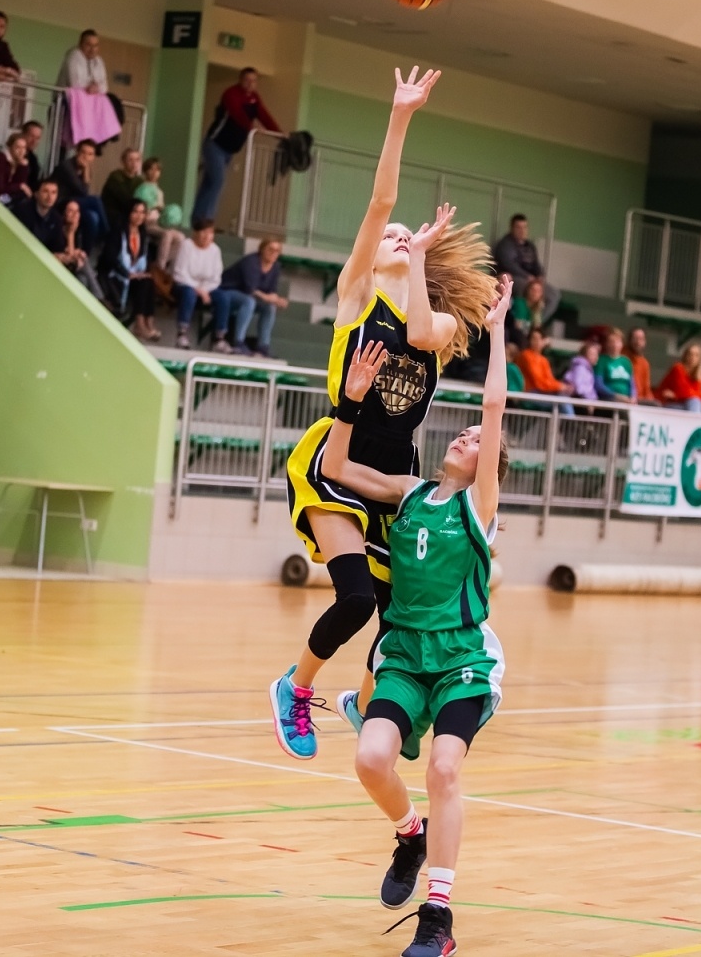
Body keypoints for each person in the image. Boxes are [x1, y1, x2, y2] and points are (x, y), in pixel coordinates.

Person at [274, 65, 498, 763]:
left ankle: (366, 701)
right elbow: (380, 202)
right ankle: (296, 687)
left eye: (409, 237)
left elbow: (428, 329)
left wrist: (424, 257)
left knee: (397, 612)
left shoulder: (431, 336)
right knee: (353, 600)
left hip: (392, 475)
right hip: (333, 461)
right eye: (391, 239)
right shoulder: (356, 298)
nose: (397, 235)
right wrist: (401, 116)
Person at [326, 278, 512, 957]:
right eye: (461, 434)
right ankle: (410, 834)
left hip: (461, 659)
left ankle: (439, 917)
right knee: (371, 759)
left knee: (444, 768)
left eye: (475, 440)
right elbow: (339, 463)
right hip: (405, 654)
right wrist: (351, 396)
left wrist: (496, 334)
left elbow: (492, 407)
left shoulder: (478, 507)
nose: (466, 437)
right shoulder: (410, 494)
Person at [193, 67, 281, 224]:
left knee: (209, 182)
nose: (250, 84)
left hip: (230, 150)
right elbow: (236, 113)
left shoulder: (255, 98)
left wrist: (279, 134)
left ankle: (197, 218)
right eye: (247, 80)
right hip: (215, 144)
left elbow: (264, 116)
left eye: (253, 81)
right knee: (218, 180)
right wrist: (251, 127)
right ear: (240, 80)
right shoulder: (231, 93)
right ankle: (207, 219)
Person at [212, 239, 288, 357]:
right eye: (270, 249)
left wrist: (278, 300)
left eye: (277, 251)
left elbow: (272, 291)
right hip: (226, 292)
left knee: (269, 307)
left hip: (248, 296)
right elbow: (250, 289)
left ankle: (263, 346)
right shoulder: (251, 262)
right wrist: (269, 298)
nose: (274, 253)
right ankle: (239, 341)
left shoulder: (276, 267)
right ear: (262, 249)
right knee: (249, 301)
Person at [107, 199, 159, 341]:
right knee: (143, 283)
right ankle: (139, 324)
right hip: (117, 276)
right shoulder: (118, 233)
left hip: (135, 277)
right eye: (135, 211)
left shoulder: (143, 235)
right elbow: (109, 259)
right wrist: (128, 274)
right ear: (128, 213)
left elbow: (144, 260)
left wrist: (141, 273)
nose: (139, 216)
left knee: (148, 281)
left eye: (142, 212)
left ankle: (149, 323)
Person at [493, 215, 558, 327]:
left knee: (554, 294)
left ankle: (536, 324)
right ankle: (518, 321)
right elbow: (509, 264)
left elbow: (536, 264)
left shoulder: (530, 246)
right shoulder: (505, 245)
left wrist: (540, 276)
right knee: (526, 287)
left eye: (524, 227)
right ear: (512, 228)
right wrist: (527, 276)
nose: (522, 230)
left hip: (532, 279)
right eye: (518, 227)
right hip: (516, 277)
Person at [170, 218, 223, 349]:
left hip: (206, 290)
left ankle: (219, 339)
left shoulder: (215, 250)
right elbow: (179, 273)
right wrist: (198, 289)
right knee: (189, 293)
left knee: (224, 298)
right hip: (183, 285)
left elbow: (216, 277)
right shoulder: (186, 245)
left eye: (210, 232)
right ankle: (181, 334)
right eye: (203, 232)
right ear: (195, 233)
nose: (206, 236)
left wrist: (204, 290)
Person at [50, 139, 112, 244]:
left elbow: (83, 193)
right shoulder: (67, 167)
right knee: (95, 200)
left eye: (90, 154)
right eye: (83, 152)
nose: (85, 157)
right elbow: (83, 192)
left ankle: (85, 255)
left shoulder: (84, 169)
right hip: (60, 202)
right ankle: (108, 235)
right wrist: (86, 170)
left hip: (75, 203)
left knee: (93, 217)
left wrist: (86, 170)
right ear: (77, 152)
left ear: (93, 157)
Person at [49, 198, 104, 301]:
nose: (75, 214)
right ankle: (100, 298)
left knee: (82, 278)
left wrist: (77, 253)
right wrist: (71, 234)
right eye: (71, 211)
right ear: (64, 213)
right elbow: (68, 257)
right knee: (83, 262)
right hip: (60, 266)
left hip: (73, 268)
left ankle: (95, 299)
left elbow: (72, 254)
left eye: (77, 211)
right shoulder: (58, 229)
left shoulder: (79, 229)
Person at [655, 344, 701, 412]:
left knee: (695, 402)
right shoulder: (678, 368)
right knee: (695, 401)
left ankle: (693, 421)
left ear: (700, 359)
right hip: (667, 404)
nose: (692, 357)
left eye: (696, 355)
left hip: (686, 404)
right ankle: (694, 422)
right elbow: (684, 391)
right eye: (690, 354)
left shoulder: (699, 373)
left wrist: (676, 395)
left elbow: (692, 394)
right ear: (685, 356)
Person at [514, 328, 572, 398]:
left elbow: (550, 380)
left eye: (540, 339)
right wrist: (560, 386)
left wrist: (562, 386)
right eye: (534, 338)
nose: (537, 341)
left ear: (544, 341)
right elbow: (539, 382)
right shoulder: (526, 356)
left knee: (563, 395)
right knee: (561, 398)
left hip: (542, 392)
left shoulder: (544, 360)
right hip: (529, 393)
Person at [10, 179, 63, 248]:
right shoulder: (22, 211)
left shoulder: (56, 219)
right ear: (36, 194)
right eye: (45, 191)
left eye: (54, 192)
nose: (50, 196)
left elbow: (57, 247)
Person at [101, 148, 144, 228]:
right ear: (123, 162)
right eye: (130, 160)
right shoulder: (116, 176)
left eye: (137, 160)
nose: (134, 163)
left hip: (132, 212)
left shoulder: (140, 181)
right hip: (114, 212)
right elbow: (125, 198)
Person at [564, 339, 612, 404]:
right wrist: (590, 401)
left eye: (596, 354)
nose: (595, 357)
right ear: (584, 355)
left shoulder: (588, 369)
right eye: (592, 354)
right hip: (581, 401)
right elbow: (578, 388)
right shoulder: (580, 368)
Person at [596, 328, 636, 402]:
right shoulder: (601, 360)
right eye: (611, 342)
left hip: (627, 399)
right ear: (607, 344)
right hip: (610, 398)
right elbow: (599, 385)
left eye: (617, 342)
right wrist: (616, 395)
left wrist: (633, 397)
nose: (615, 345)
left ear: (622, 344)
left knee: (654, 404)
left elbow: (632, 384)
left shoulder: (626, 361)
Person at [625, 327, 658, 406]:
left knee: (656, 405)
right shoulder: (622, 357)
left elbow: (646, 388)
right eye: (635, 338)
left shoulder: (644, 363)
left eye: (641, 339)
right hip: (626, 398)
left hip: (640, 400)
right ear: (629, 340)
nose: (638, 342)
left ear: (645, 342)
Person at [19, 120, 45, 189]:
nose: (34, 141)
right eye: (31, 136)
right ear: (23, 135)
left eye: (37, 138)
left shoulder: (33, 158)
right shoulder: (12, 156)